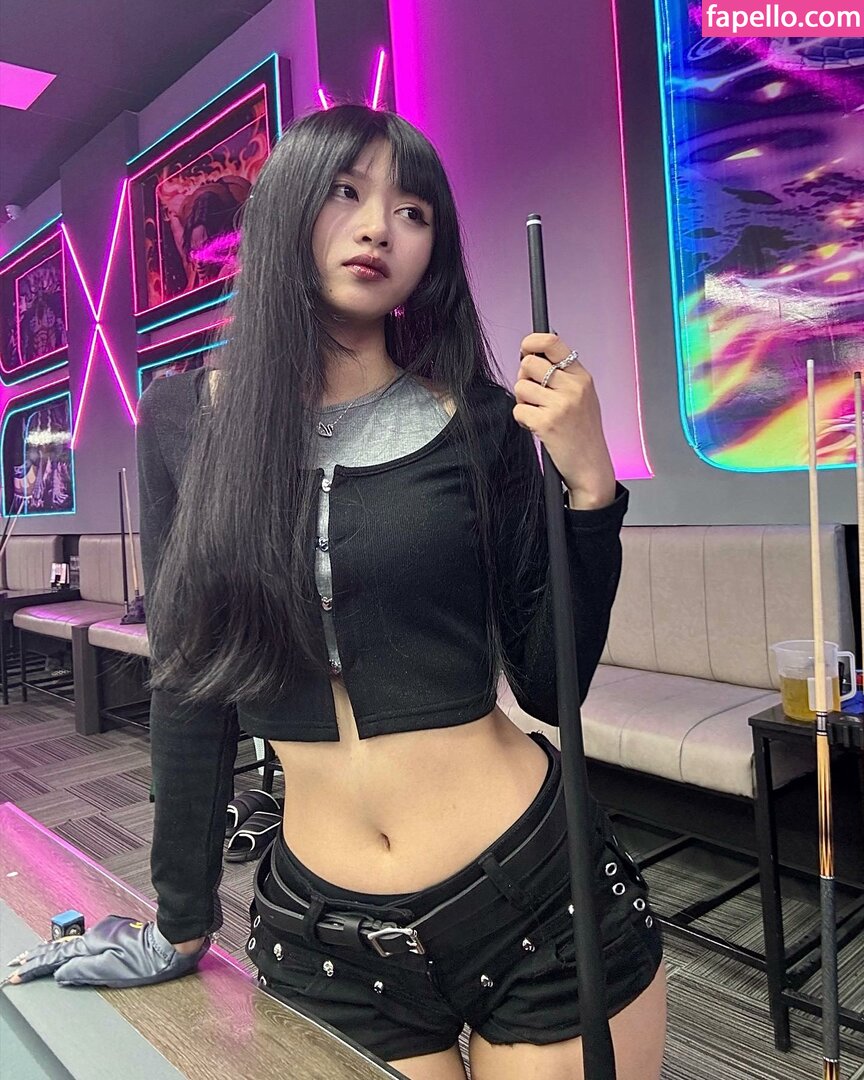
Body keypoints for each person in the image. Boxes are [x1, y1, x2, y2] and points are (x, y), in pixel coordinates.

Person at [3, 105, 666, 1080]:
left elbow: (546, 679)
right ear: (285, 211)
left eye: (411, 210)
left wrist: (591, 488)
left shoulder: (481, 417)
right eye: (346, 193)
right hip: (324, 934)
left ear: (430, 251)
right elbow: (190, 679)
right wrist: (181, 919)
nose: (376, 227)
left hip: (533, 897)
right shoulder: (182, 418)